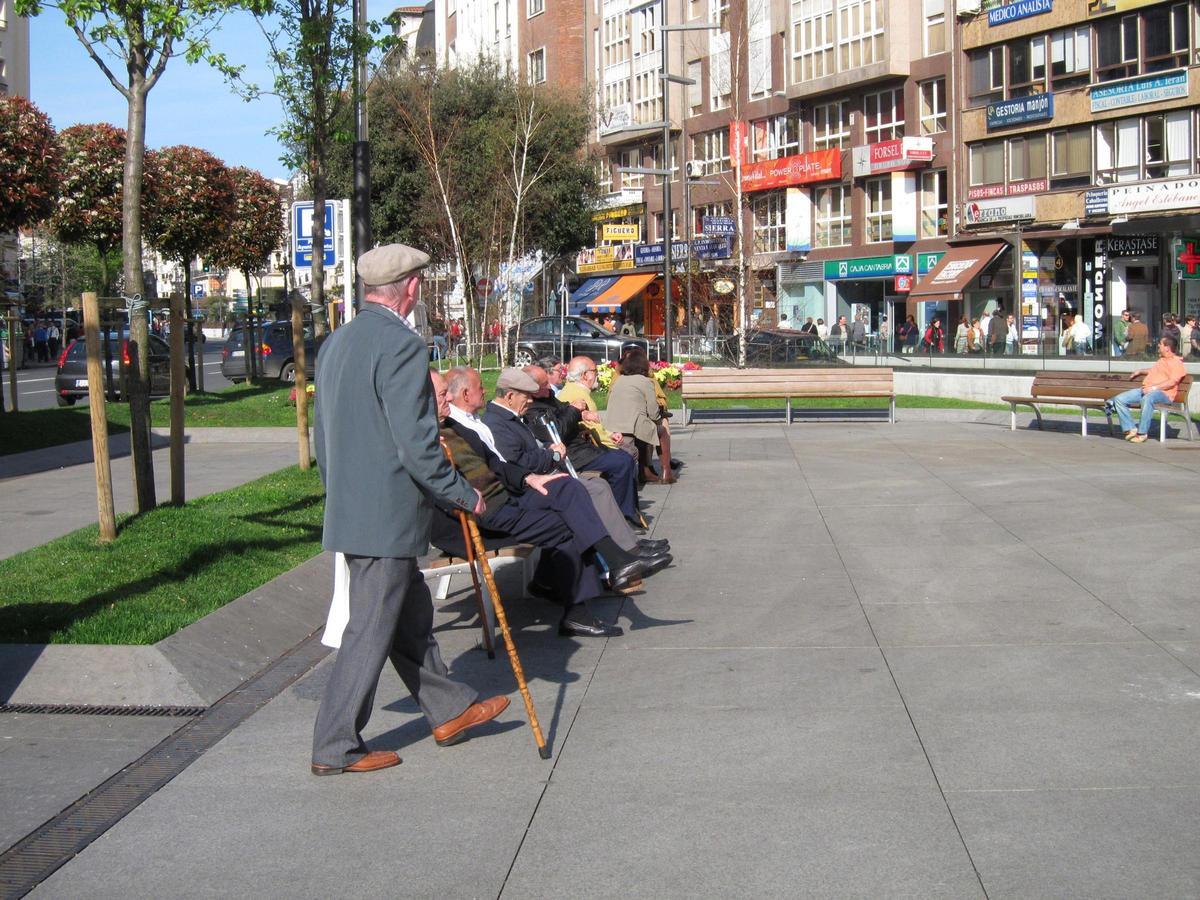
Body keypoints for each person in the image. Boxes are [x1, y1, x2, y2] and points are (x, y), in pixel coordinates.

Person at [310, 243, 509, 778]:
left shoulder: (337, 342)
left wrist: (342, 495)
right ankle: (335, 745)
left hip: (357, 509)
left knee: (409, 617)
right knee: (371, 628)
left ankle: (449, 710)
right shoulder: (402, 345)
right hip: (386, 515)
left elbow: (321, 437)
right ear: (413, 288)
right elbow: (417, 445)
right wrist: (463, 493)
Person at [438, 368, 647, 636]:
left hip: (503, 498)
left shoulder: (458, 426)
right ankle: (577, 599)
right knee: (568, 522)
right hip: (478, 518)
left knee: (568, 488)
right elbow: (451, 483)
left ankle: (613, 562)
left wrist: (528, 478)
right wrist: (529, 474)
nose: (486, 391)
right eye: (443, 394)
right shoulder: (440, 435)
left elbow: (498, 466)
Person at [606, 348, 674, 485]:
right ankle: (667, 472)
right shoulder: (646, 382)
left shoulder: (619, 380)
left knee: (644, 429)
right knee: (661, 431)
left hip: (611, 427)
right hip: (633, 427)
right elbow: (654, 414)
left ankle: (645, 472)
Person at [1110, 336, 1187, 443]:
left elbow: (1172, 381)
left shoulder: (1176, 363)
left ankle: (1142, 433)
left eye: (1161, 344)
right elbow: (1155, 371)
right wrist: (1140, 371)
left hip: (1164, 394)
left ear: (1167, 348)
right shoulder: (1162, 360)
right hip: (1147, 390)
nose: (1158, 345)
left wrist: (1153, 388)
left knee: (1148, 398)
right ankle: (1131, 428)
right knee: (1119, 399)